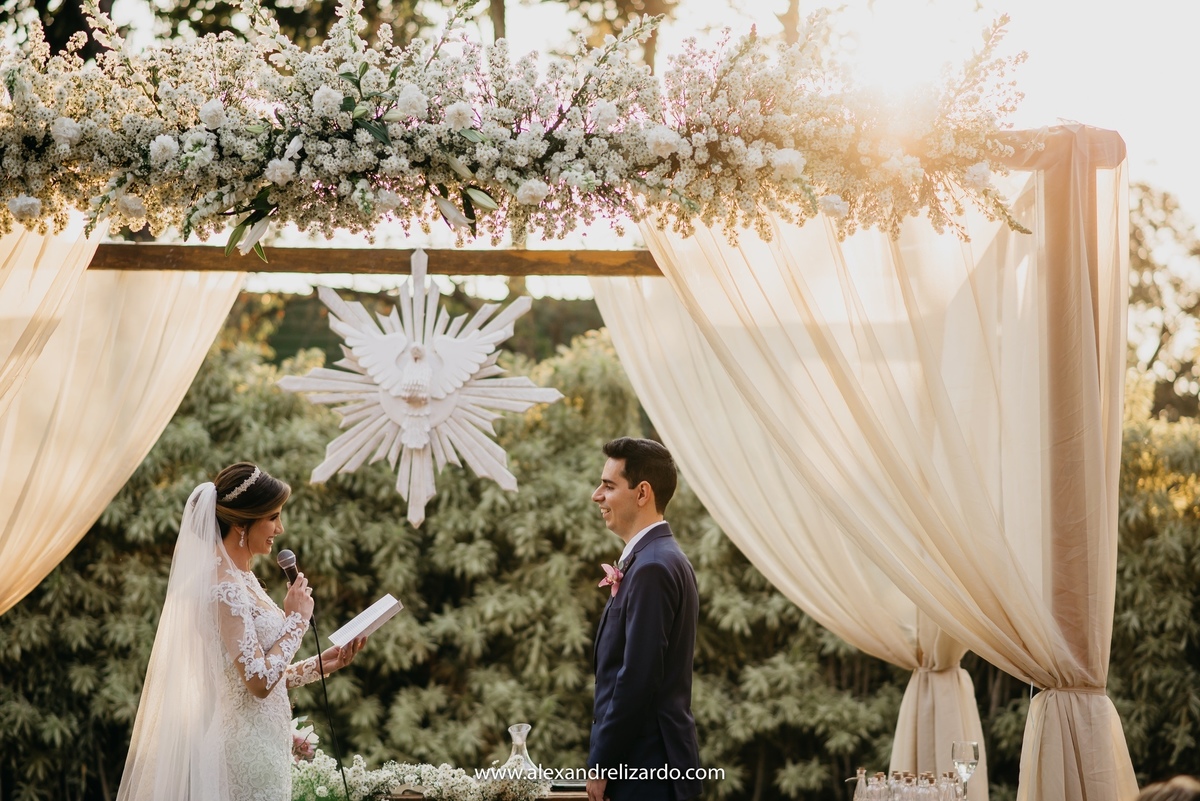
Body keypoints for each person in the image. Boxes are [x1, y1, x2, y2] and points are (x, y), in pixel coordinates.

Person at [116, 462, 367, 801]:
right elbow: (258, 682)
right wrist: (296, 621)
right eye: (273, 517)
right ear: (240, 523)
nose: (280, 528)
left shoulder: (244, 580)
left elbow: (259, 675)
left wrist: (321, 664)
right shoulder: (223, 588)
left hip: (265, 745)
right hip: (243, 750)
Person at [588, 438, 702, 801]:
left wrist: (603, 763)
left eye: (608, 486)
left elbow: (638, 676)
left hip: (648, 771)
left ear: (642, 493)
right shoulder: (657, 558)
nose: (596, 495)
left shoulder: (652, 565)